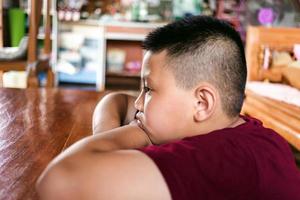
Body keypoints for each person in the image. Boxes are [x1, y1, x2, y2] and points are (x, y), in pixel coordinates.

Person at [36, 16, 300, 200]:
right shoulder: (235, 127)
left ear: (202, 103)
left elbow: (58, 182)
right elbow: (116, 100)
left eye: (148, 90)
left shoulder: (225, 160)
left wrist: (135, 131)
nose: (139, 102)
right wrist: (109, 137)